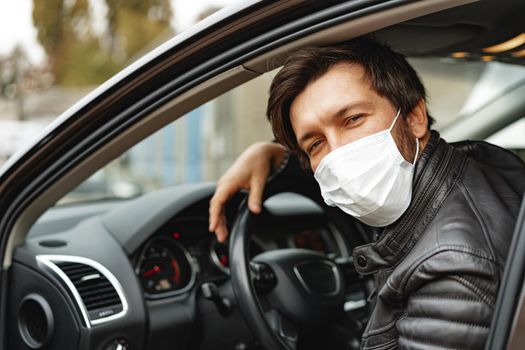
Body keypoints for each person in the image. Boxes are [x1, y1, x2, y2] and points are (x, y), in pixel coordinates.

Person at [208, 37, 525, 349]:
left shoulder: (451, 270)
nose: (339, 158)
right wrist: (273, 155)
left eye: (353, 120)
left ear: (414, 117)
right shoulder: (471, 165)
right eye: (316, 143)